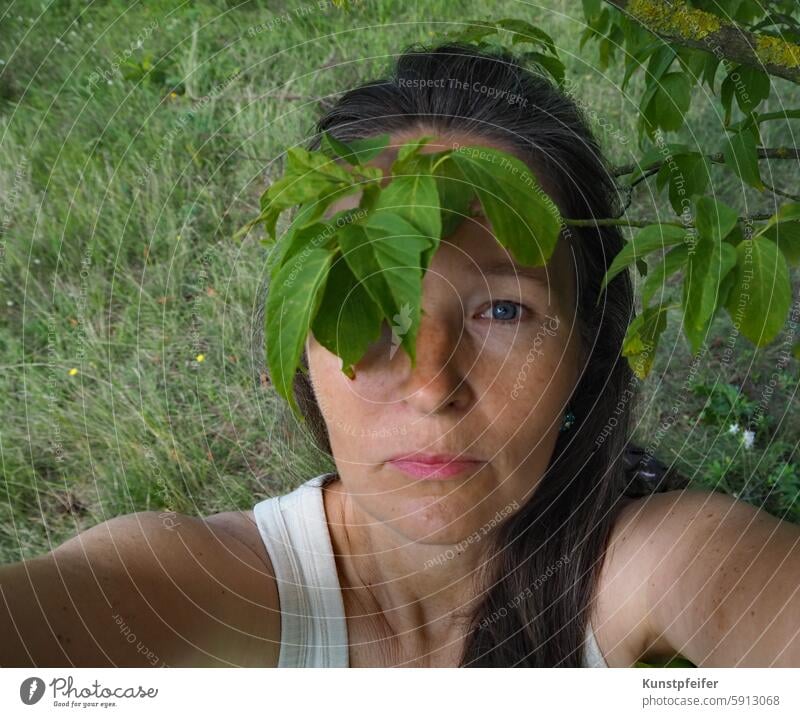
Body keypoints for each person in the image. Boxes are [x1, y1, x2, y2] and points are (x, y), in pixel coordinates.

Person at [2, 42, 799, 668]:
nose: (429, 384)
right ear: (299, 344)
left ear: (588, 352)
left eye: (502, 309)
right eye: (368, 304)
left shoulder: (668, 562)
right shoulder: (190, 582)